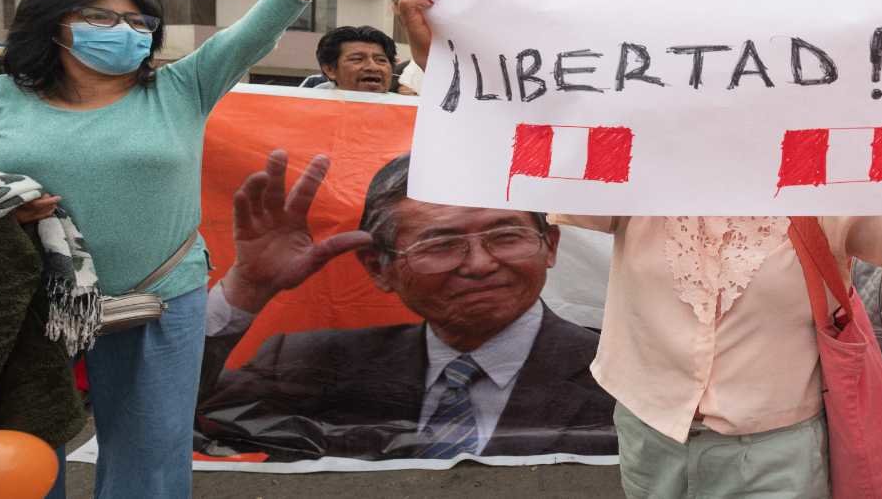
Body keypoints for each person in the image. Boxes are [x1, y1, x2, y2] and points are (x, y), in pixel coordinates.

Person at [391, 0, 882, 497]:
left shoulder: (832, 160)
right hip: (650, 422)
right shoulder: (640, 149)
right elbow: (517, 154)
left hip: (776, 439)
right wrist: (444, 57)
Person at [0, 0, 372, 498]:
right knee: (18, 444)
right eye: (100, 18)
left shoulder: (181, 88)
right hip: (22, 304)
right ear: (52, 27)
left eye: (136, 20)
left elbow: (250, 34)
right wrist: (0, 208)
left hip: (158, 296)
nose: (122, 29)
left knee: (151, 452)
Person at [195, 151, 616, 461]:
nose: (480, 264)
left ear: (550, 246)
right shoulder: (309, 365)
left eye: (506, 237)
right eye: (442, 245)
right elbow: (163, 419)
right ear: (379, 268)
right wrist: (247, 290)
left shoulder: (625, 375)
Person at [309, 25, 396, 93]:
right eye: (357, 59)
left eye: (381, 60)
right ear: (330, 70)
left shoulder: (407, 110)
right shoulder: (307, 109)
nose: (373, 67)